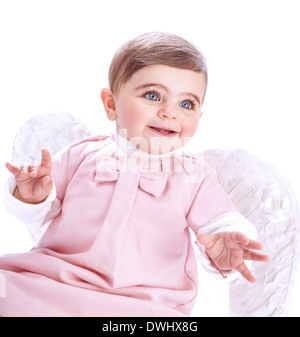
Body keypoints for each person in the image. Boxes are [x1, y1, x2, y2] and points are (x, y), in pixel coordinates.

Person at [0, 32, 268, 317]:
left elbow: (221, 221)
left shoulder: (194, 176)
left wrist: (226, 244)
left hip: (144, 303)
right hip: (56, 282)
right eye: (153, 96)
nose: (170, 112)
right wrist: (31, 197)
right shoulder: (81, 154)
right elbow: (39, 216)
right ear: (111, 104)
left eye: (186, 104)